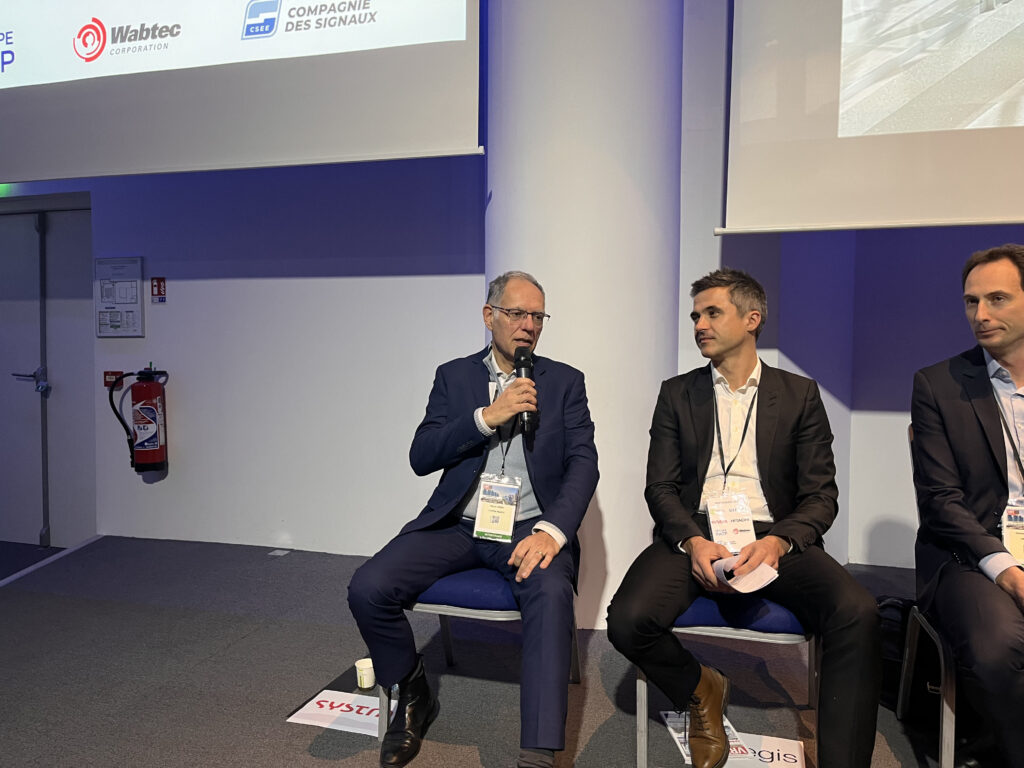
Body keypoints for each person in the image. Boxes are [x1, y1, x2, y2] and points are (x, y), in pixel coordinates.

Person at [607, 268, 880, 768]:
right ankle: (700, 688)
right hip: (696, 531)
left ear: (752, 319)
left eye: (713, 313)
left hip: (774, 536)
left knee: (856, 611)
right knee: (626, 621)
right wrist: (693, 542)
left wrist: (778, 543)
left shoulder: (798, 394)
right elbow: (660, 487)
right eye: (696, 315)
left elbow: (820, 496)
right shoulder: (677, 393)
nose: (699, 325)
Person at [347, 271, 599, 768]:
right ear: (489, 316)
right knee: (368, 587)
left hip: (527, 527)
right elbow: (422, 455)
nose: (528, 325)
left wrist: (552, 532)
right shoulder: (454, 376)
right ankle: (412, 690)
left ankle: (538, 753)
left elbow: (584, 463)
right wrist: (486, 417)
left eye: (537, 316)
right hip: (457, 525)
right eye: (516, 313)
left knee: (550, 592)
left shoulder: (564, 381)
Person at [911, 243, 1024, 767]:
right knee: (997, 646)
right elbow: (940, 499)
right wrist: (1005, 569)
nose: (980, 314)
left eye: (997, 299)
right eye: (971, 301)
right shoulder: (939, 384)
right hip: (969, 554)